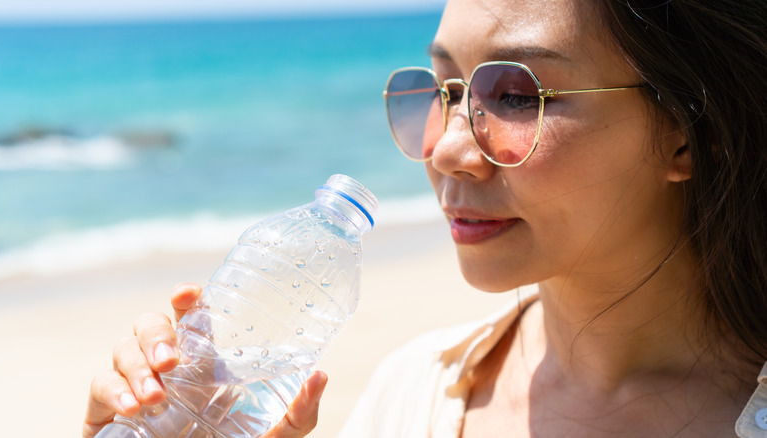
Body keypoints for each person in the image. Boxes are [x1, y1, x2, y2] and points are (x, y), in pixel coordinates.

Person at [83, 0, 767, 436]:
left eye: (518, 95)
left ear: (687, 134)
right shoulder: (412, 394)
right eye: (444, 90)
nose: (446, 148)